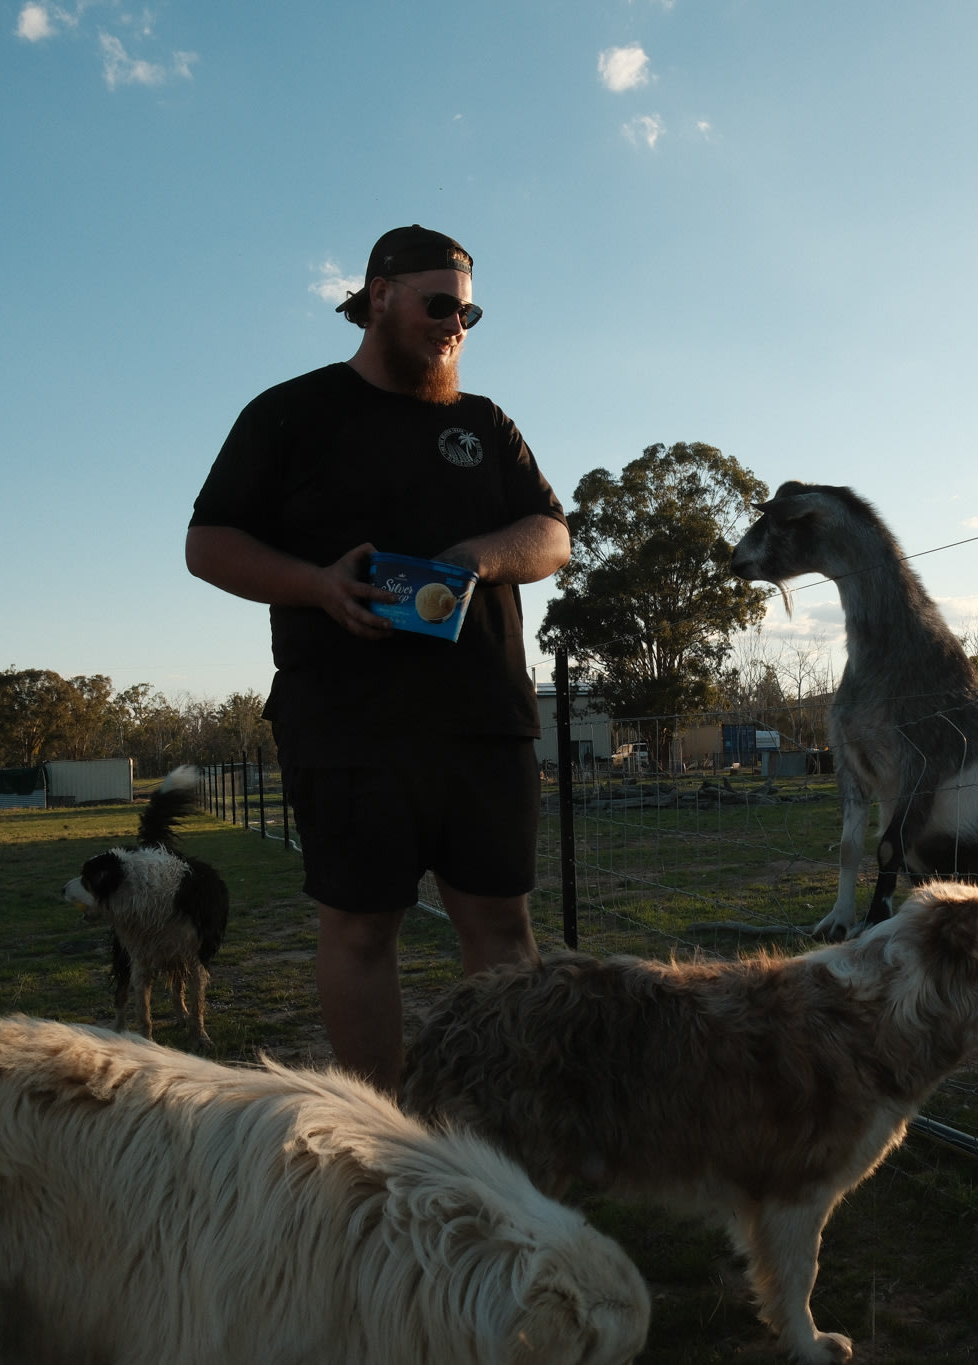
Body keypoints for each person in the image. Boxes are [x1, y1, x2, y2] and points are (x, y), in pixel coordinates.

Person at [185, 225, 569, 1094]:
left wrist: (477, 557)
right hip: (347, 725)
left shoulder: (483, 423)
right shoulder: (289, 414)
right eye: (439, 303)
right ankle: (384, 1136)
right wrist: (317, 585)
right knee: (361, 930)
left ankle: (496, 1130)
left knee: (502, 929)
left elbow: (552, 534)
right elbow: (207, 544)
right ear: (378, 296)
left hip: (483, 721)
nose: (456, 323)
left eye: (468, 308)